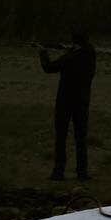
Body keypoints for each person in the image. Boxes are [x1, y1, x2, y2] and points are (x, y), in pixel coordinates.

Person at [39, 29, 97, 181]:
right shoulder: (90, 54)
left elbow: (49, 68)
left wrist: (43, 53)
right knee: (80, 138)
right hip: (82, 102)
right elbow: (83, 49)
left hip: (65, 101)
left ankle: (58, 172)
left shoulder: (70, 58)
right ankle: (82, 172)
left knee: (61, 137)